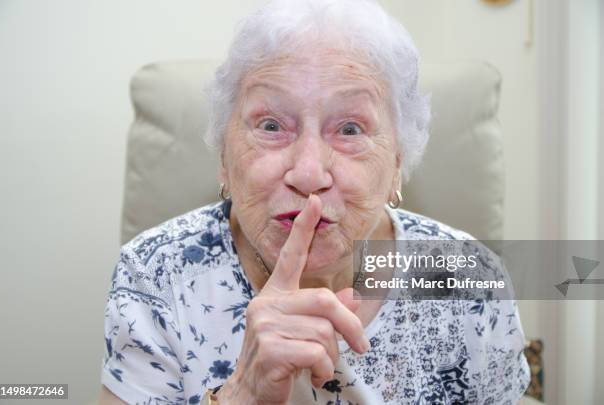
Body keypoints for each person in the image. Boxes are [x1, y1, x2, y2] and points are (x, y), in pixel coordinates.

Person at [98, 0, 530, 403]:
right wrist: (243, 394)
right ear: (224, 159)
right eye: (270, 124)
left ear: (398, 162)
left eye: (349, 129)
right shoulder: (154, 274)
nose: (308, 173)